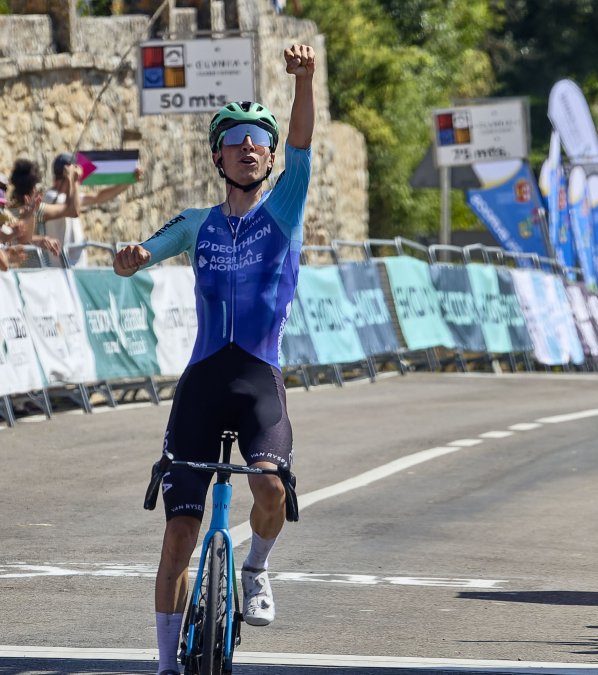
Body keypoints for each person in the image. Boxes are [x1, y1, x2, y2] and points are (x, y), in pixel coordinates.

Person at [114, 44, 316, 675]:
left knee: (268, 484)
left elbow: (305, 143)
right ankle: (168, 665)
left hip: (258, 380)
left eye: (260, 140)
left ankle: (255, 569)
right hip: (203, 382)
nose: (250, 147)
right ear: (218, 156)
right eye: (237, 140)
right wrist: (132, 257)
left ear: (270, 155)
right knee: (179, 534)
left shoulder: (283, 210)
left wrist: (305, 80)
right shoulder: (197, 222)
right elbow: (147, 248)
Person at [44, 152, 144, 267]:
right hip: (62, 267)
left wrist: (129, 181)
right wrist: (74, 180)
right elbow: (74, 210)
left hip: (78, 266)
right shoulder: (50, 197)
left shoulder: (70, 197)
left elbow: (98, 197)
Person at [7, 157, 77, 262]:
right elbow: (72, 210)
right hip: (35, 272)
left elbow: (19, 239)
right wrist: (73, 179)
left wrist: (40, 240)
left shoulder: (6, 212)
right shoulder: (38, 209)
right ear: (33, 189)